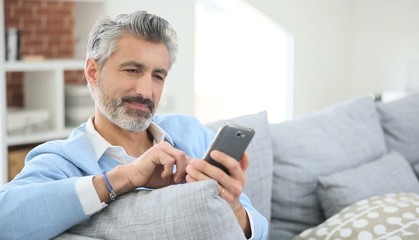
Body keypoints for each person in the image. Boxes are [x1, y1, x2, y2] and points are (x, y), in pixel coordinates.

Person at [0, 10, 268, 239]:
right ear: (93, 72)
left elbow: (260, 228)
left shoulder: (191, 133)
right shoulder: (63, 159)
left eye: (158, 76)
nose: (146, 91)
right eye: (132, 70)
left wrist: (232, 207)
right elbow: (5, 219)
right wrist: (122, 178)